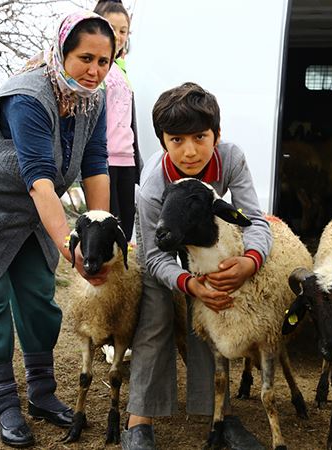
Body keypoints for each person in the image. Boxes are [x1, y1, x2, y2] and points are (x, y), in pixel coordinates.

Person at [0, 10, 115, 448]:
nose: (94, 71)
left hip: (29, 210)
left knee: (37, 297)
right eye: (85, 58)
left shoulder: (94, 97)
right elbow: (38, 178)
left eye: (104, 61)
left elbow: (96, 163)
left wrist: (98, 237)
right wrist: (71, 250)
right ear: (62, 52)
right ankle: (4, 403)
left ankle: (41, 394)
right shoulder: (29, 96)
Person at [122, 82, 271, 450]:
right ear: (162, 142)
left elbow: (255, 218)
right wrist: (188, 284)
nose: (189, 151)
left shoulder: (231, 158)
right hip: (165, 246)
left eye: (200, 137)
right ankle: (139, 419)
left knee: (211, 317)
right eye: (176, 140)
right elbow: (153, 256)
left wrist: (251, 260)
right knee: (155, 319)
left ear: (217, 135)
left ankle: (218, 411)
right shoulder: (153, 185)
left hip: (207, 247)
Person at [94, 0, 142, 241]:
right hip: (103, 160)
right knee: (107, 229)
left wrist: (137, 159)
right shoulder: (95, 69)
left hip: (126, 159)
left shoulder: (121, 69)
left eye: (123, 31)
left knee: (126, 229)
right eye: (112, 28)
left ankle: (124, 277)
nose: (119, 36)